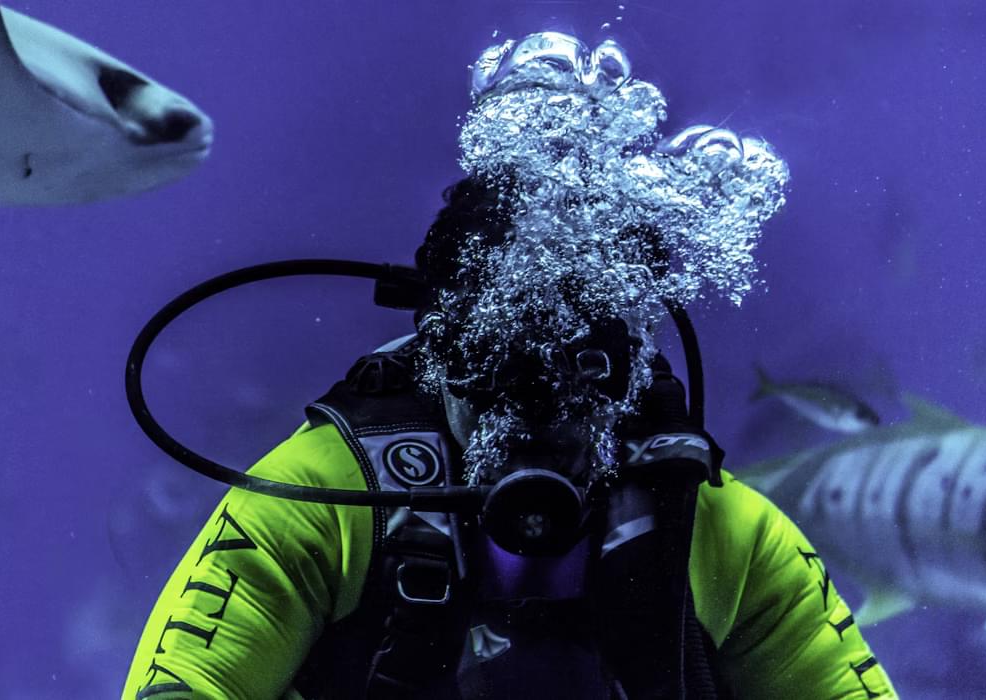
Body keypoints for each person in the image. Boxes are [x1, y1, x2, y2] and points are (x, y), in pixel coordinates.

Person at [122, 33, 897, 700]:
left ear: (629, 375)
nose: (536, 410)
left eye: (581, 371)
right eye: (495, 362)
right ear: (438, 353)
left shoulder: (719, 533)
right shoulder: (330, 501)